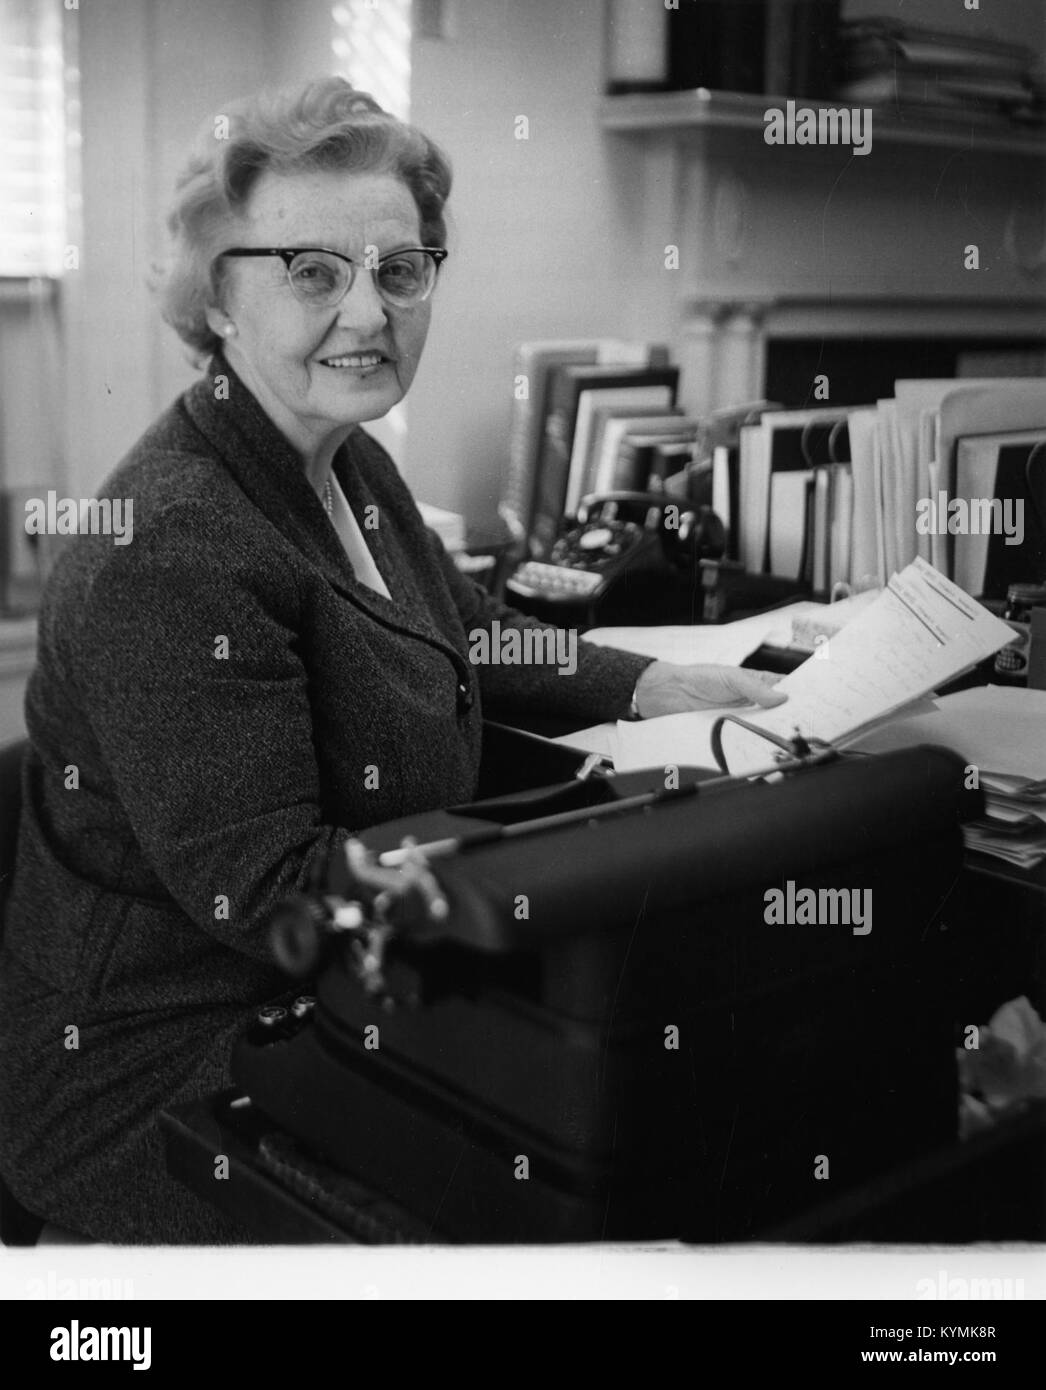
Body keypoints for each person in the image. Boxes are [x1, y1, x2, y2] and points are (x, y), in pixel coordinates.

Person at [0, 77, 784, 1243]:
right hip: (171, 1071)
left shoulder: (339, 457)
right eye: (312, 271)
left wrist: (650, 685)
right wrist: (554, 893)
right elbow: (271, 897)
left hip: (319, 1004)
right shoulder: (173, 552)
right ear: (217, 301)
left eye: (400, 270)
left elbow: (463, 628)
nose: (368, 312)